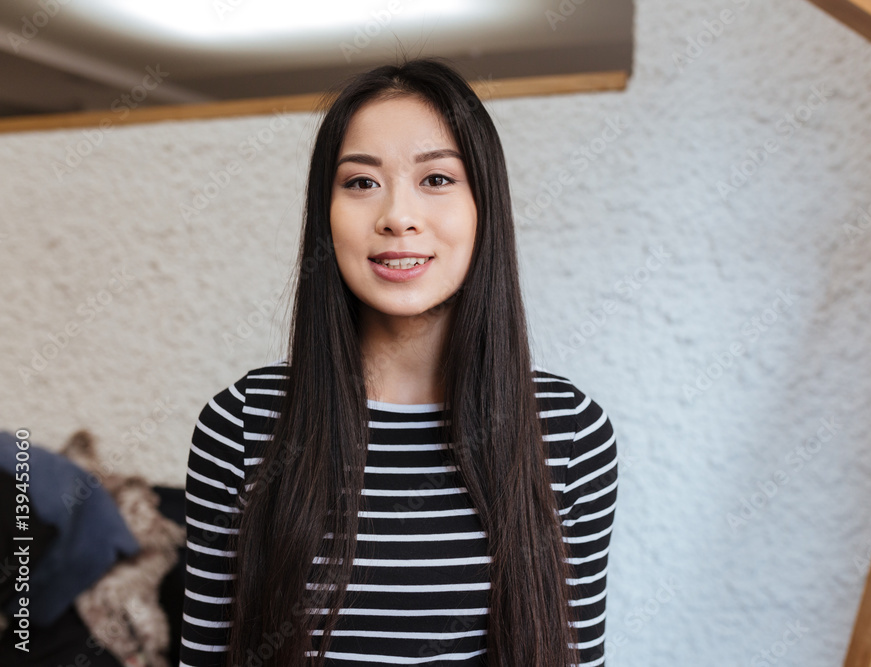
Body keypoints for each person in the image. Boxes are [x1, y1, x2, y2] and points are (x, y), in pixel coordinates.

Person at [180, 58, 618, 667]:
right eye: (361, 183)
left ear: (483, 207)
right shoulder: (243, 423)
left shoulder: (568, 430)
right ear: (323, 218)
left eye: (437, 179)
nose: (396, 216)